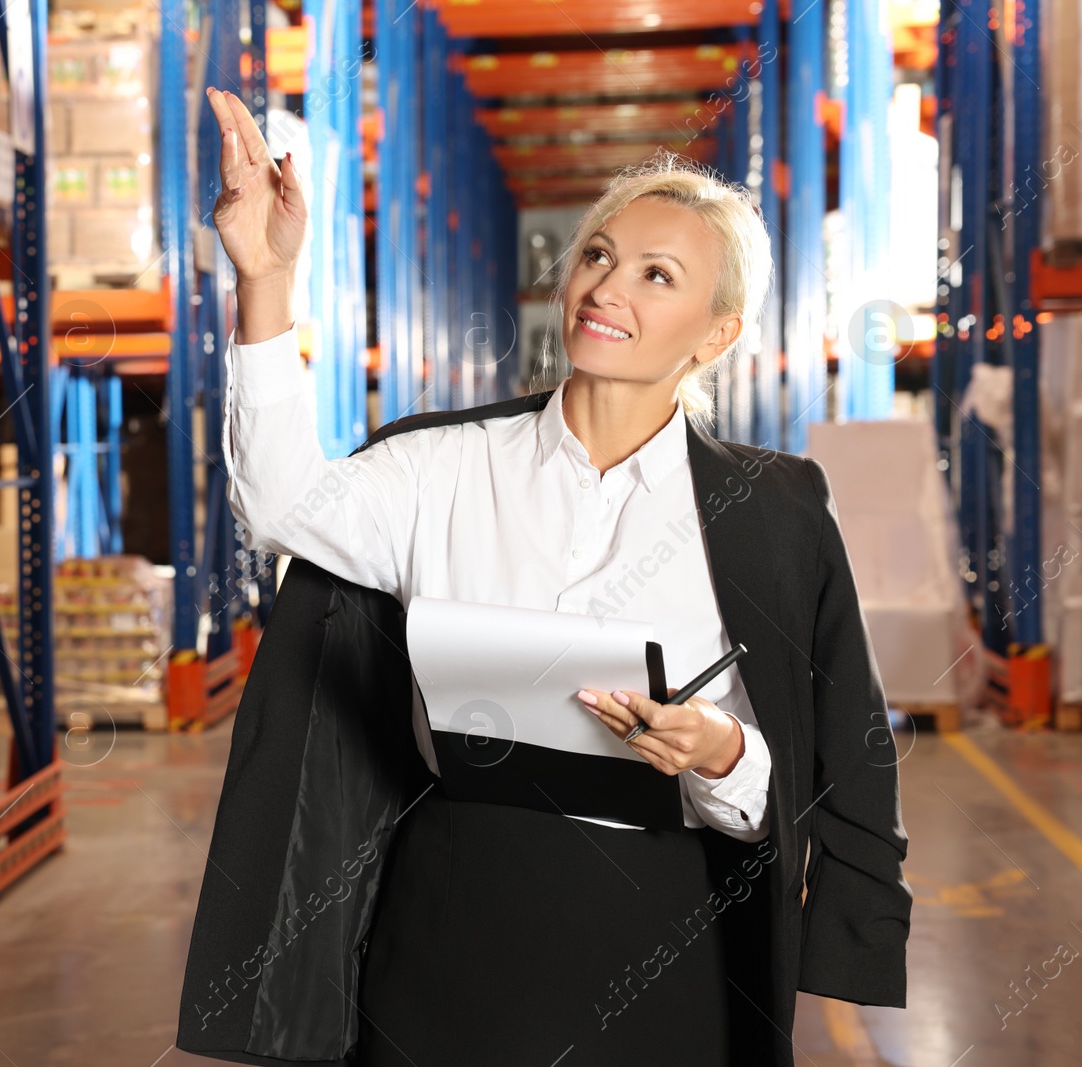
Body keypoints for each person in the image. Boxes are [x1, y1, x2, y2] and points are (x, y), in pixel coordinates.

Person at [176, 87, 911, 1067]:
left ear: (715, 332)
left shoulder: (771, 512)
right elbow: (279, 507)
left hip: (670, 936)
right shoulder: (440, 463)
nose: (607, 288)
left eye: (657, 274)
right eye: (598, 256)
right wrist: (264, 282)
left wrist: (720, 750)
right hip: (449, 923)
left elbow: (825, 756)